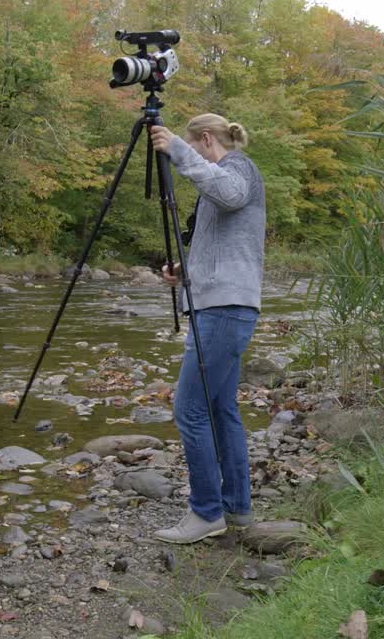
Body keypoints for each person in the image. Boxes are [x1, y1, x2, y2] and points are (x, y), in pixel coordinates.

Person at [147, 113, 266, 544]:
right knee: (220, 411)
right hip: (222, 304)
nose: (194, 157)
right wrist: (187, 269)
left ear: (205, 138)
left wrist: (175, 149)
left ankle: (206, 513)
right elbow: (226, 239)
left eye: (195, 147)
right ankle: (236, 509)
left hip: (224, 309)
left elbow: (229, 194)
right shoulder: (226, 175)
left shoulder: (239, 167)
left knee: (190, 409)